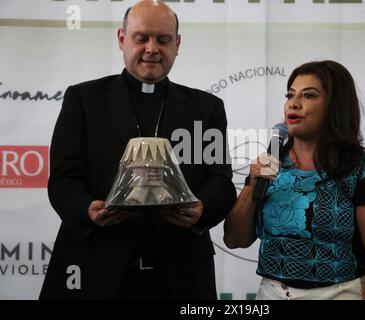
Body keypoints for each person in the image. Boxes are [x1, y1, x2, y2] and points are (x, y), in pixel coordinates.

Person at [40, 0, 236, 300]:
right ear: (122, 39)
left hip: (181, 273)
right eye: (141, 38)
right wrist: (86, 209)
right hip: (94, 269)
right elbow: (63, 180)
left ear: (178, 44)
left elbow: (221, 183)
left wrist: (202, 209)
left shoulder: (205, 108)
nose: (152, 48)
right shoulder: (84, 99)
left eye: (163, 39)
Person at [223, 60, 365, 300]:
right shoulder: (269, 165)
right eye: (290, 95)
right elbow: (234, 239)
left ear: (335, 106)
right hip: (271, 294)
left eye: (309, 95)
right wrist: (252, 186)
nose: (293, 103)